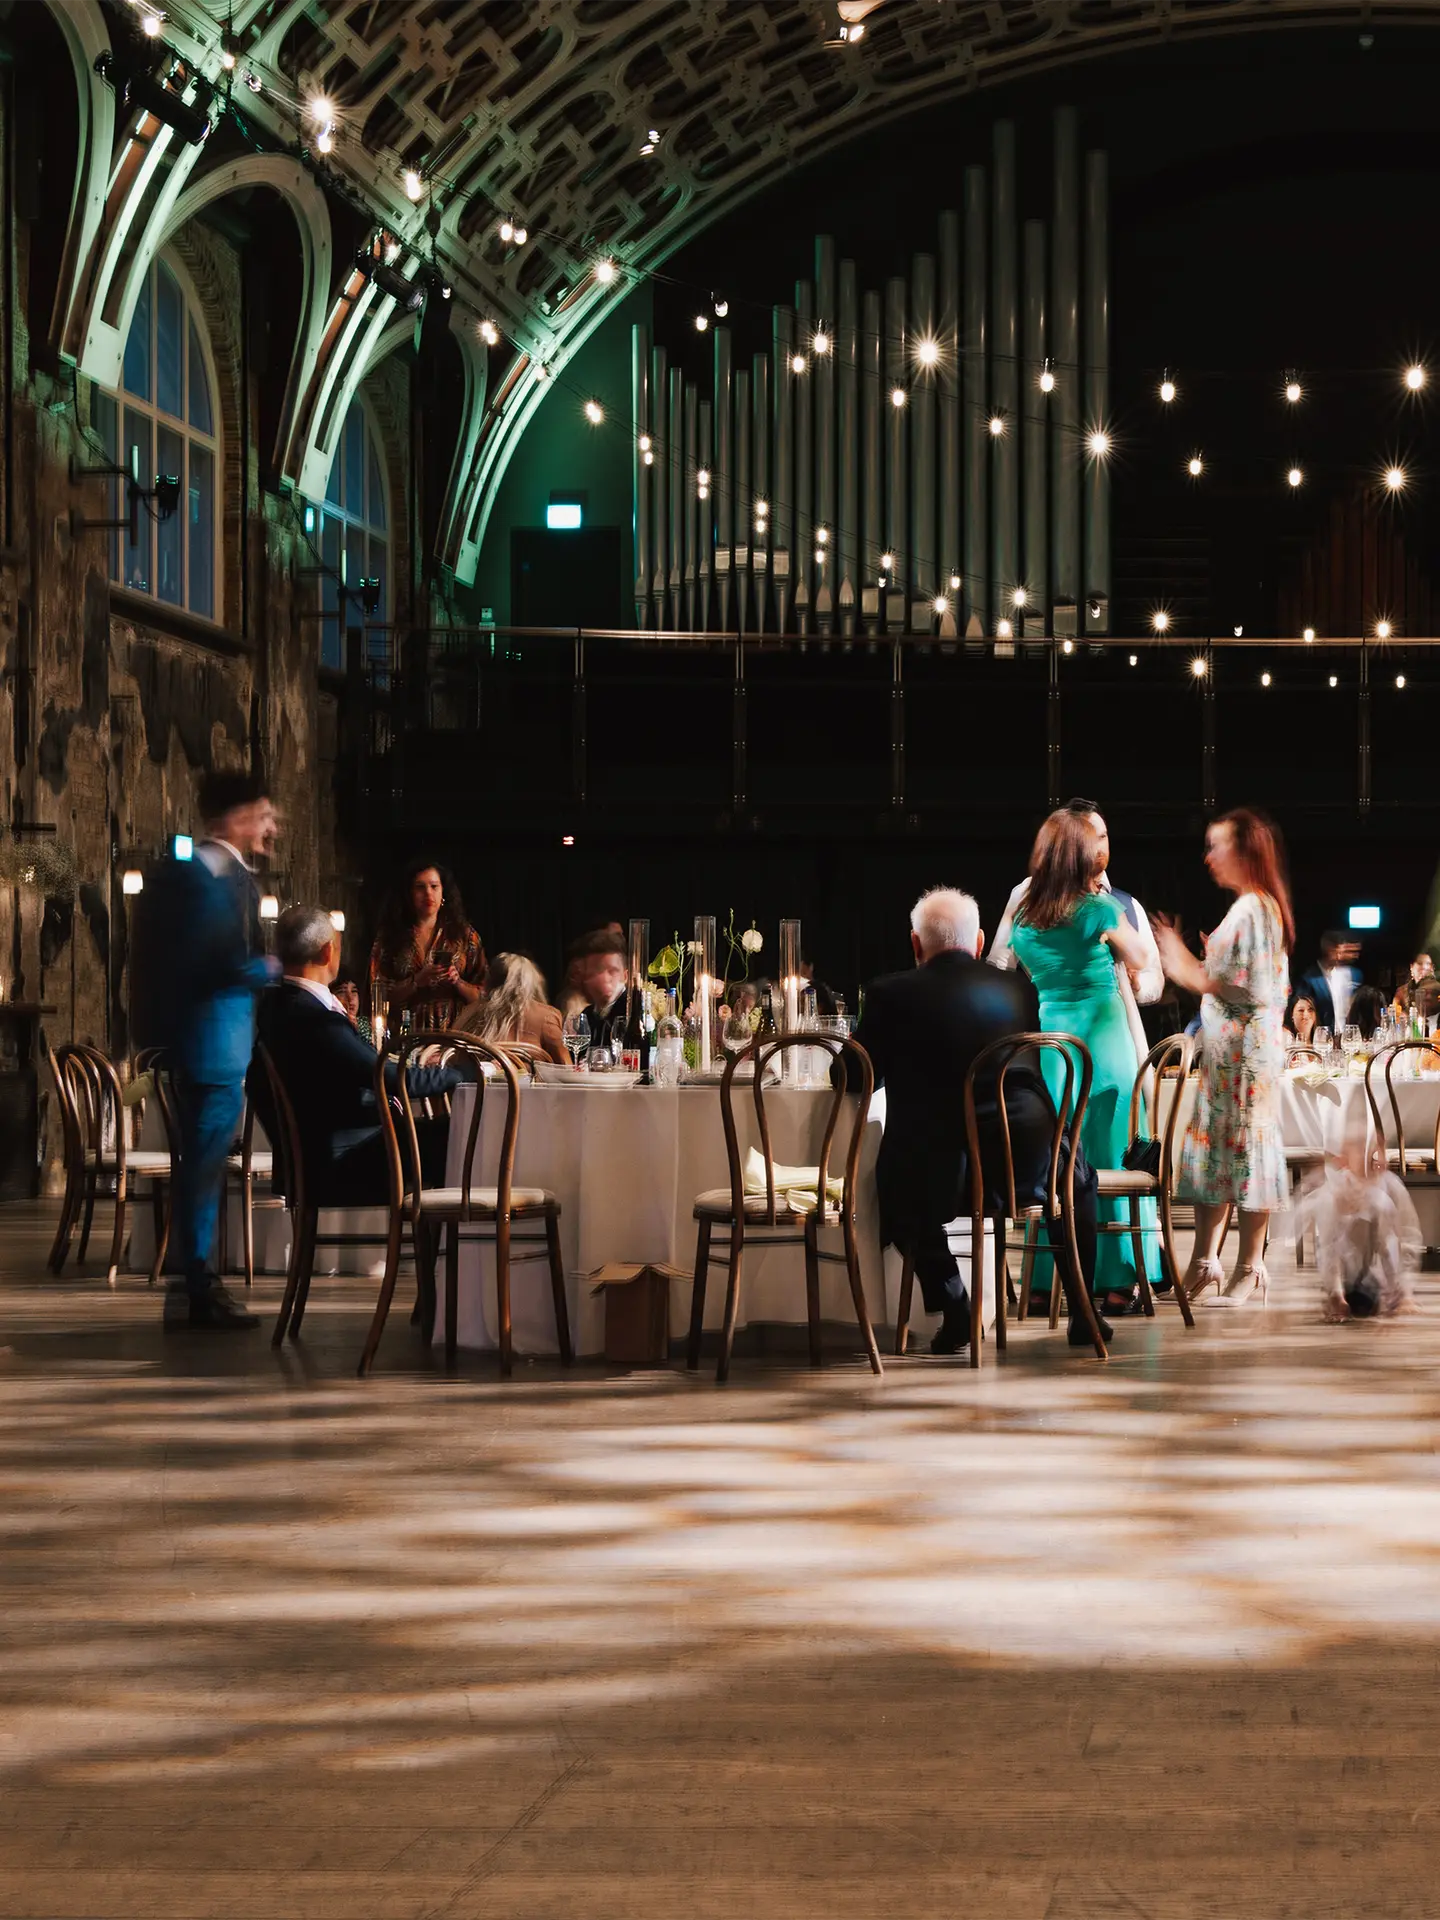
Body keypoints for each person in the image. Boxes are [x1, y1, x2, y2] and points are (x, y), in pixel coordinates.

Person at [856, 887, 1106, 1356]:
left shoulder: (890, 993)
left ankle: (955, 1308)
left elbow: (856, 1076)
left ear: (915, 945)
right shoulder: (1019, 988)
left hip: (942, 1175)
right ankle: (1082, 1308)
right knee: (1077, 1176)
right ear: (979, 942)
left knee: (891, 1183)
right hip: (1028, 1162)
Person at [130, 769, 281, 1330]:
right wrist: (267, 967)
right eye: (264, 814)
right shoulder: (201, 878)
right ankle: (197, 1286)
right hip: (211, 1043)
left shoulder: (213, 875)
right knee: (202, 1169)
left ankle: (194, 1284)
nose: (271, 825)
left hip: (214, 1041)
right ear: (238, 818)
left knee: (202, 1167)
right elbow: (206, 962)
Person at [1008, 809, 1159, 1314]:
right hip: (1107, 1044)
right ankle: (1118, 1280)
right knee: (1110, 1156)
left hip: (1055, 1048)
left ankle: (1050, 1279)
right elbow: (1139, 958)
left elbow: (1014, 964)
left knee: (1060, 1165)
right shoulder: (1098, 908)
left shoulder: (1026, 916)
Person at [1152, 806, 1292, 1306]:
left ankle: (1251, 1267)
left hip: (1246, 1061)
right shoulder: (1250, 908)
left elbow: (1219, 983)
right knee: (1217, 1155)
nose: (1209, 857)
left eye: (1217, 846)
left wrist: (1176, 958)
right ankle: (1204, 1262)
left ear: (1244, 852)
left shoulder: (1254, 907)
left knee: (1247, 1153)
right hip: (1231, 1056)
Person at [256, 907, 463, 1206]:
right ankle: (446, 1249)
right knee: (457, 1133)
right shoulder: (315, 1019)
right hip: (339, 1166)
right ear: (329, 951)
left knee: (432, 1133)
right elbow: (391, 1077)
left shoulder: (273, 1010)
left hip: (306, 1164)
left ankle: (428, 1248)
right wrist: (461, 1074)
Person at [991, 796, 1161, 1064]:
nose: (1098, 847)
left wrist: (1137, 985)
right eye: (1089, 838)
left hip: (1107, 1029)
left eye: (1103, 836)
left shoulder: (1125, 904)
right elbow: (999, 967)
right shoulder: (1026, 897)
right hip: (1045, 1034)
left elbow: (1152, 975)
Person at [369, 859, 484, 1034]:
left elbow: (485, 996)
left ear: (443, 892)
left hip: (454, 1038)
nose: (428, 893)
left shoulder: (465, 936)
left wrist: (458, 982)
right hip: (402, 1037)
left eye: (434, 886)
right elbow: (376, 994)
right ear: (409, 894)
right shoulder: (389, 937)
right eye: (420, 887)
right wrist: (416, 981)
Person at [454, 952, 567, 1064]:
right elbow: (566, 1067)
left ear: (489, 980)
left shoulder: (469, 1012)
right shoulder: (546, 1017)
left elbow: (450, 1057)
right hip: (522, 1081)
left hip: (473, 1081)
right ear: (532, 983)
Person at [1295, 929, 1361, 1034]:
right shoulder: (1309, 978)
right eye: (1337, 952)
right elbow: (1301, 1009)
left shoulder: (1350, 974)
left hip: (1346, 1036)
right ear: (1328, 949)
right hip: (1321, 1036)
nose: (1340, 956)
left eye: (1341, 952)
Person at [575, 929, 628, 1053]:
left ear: (625, 976)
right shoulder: (587, 1015)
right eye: (598, 971)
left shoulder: (632, 1013)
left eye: (612, 971)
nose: (605, 979)